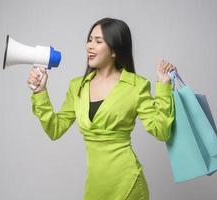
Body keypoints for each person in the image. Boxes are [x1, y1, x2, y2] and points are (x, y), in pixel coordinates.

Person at [27, 17, 176, 200]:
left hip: (128, 184)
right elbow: (54, 129)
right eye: (89, 40)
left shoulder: (136, 86)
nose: (90, 46)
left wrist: (164, 87)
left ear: (114, 50)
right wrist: (40, 92)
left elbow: (161, 131)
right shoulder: (77, 86)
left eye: (98, 41)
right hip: (96, 187)